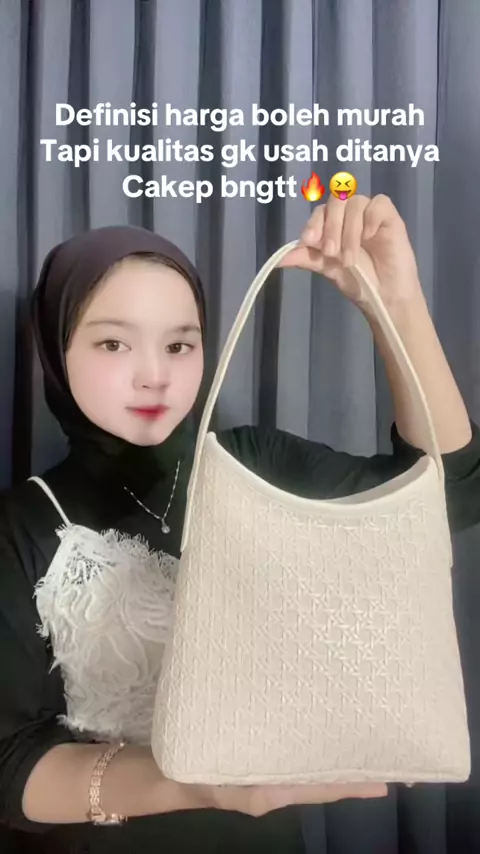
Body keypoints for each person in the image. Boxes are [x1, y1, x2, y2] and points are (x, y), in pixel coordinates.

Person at [0, 193, 478, 854]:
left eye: (180, 344)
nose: (154, 375)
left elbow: (445, 494)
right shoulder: (21, 524)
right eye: (113, 342)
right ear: (57, 349)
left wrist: (394, 301)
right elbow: (9, 765)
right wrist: (198, 786)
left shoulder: (254, 463)